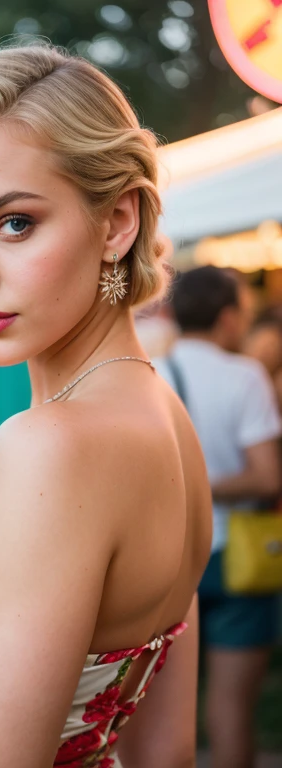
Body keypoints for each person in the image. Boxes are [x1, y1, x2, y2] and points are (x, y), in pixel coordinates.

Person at [0, 44, 212, 768]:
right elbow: (169, 750)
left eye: (14, 222)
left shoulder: (54, 444)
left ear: (118, 222)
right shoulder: (166, 418)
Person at [156, 266, 282, 768]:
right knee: (231, 711)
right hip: (237, 561)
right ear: (229, 317)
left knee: (155, 717)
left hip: (164, 561)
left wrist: (179, 489)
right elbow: (268, 477)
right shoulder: (245, 376)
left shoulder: (145, 371)